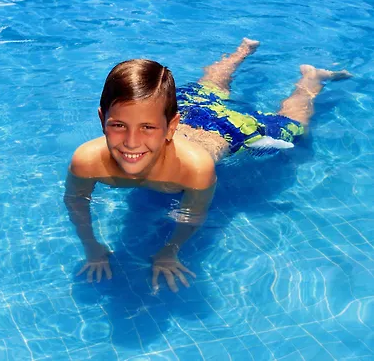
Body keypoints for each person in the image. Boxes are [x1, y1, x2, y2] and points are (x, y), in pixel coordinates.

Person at [64, 38, 351, 293]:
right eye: (118, 125)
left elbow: (192, 214)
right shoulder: (88, 161)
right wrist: (92, 248)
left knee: (293, 126)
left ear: (170, 126)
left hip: (228, 130)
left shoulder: (194, 167)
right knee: (209, 86)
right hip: (185, 108)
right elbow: (76, 202)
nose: (131, 142)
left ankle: (311, 79)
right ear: (102, 119)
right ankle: (243, 50)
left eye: (147, 128)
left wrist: (169, 252)